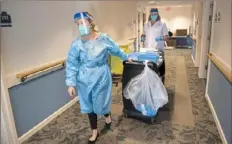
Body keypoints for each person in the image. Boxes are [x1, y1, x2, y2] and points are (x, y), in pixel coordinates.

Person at [65, 12, 132, 144]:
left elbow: (116, 50)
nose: (80, 26)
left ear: (91, 22)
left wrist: (125, 57)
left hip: (101, 76)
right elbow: (72, 63)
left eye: (82, 22)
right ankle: (94, 131)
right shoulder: (76, 44)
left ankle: (106, 114)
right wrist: (71, 83)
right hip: (84, 78)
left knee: (100, 104)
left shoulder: (103, 39)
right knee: (89, 105)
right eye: (77, 24)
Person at [141, 8, 169, 83]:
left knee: (159, 70)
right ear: (150, 15)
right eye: (152, 14)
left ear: (158, 14)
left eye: (155, 14)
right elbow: (144, 34)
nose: (153, 16)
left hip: (158, 50)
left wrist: (161, 38)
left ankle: (160, 85)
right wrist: (142, 37)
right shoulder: (146, 24)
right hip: (148, 50)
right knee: (149, 69)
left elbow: (167, 37)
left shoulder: (162, 24)